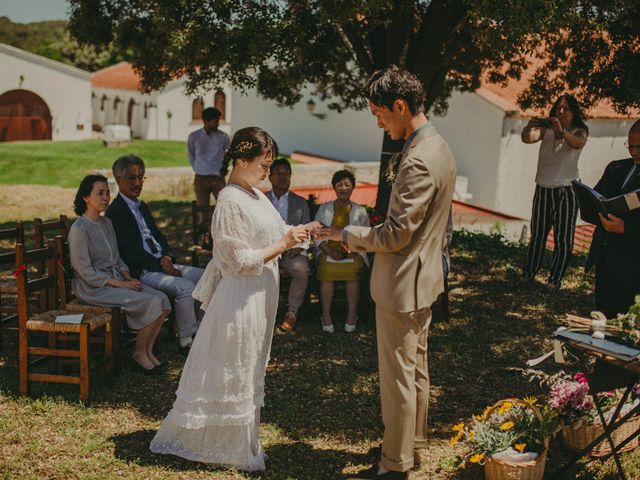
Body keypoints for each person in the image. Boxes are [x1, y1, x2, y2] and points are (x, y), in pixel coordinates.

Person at [316, 65, 456, 479]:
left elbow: (396, 234)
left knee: (398, 378)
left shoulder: (418, 159)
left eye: (379, 113)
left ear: (400, 106)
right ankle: (410, 446)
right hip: (425, 279)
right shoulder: (439, 146)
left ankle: (394, 465)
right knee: (415, 370)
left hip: (402, 285)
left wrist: (348, 234)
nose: (377, 121)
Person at [150, 127, 317, 470]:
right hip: (241, 298)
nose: (268, 172)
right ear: (241, 160)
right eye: (263, 164)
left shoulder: (256, 194)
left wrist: (299, 232)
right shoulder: (228, 201)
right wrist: (285, 245)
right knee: (235, 364)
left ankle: (241, 439)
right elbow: (240, 260)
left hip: (260, 294)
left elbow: (272, 233)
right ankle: (224, 445)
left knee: (250, 363)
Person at [68, 174, 170, 374]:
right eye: (100, 193)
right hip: (93, 288)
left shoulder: (107, 223)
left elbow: (117, 258)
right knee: (151, 302)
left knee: (163, 300)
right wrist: (120, 284)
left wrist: (127, 276)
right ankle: (138, 354)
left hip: (116, 280)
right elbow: (84, 270)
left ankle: (148, 352)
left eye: (107, 192)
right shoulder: (79, 230)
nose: (106, 197)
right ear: (86, 197)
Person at [106, 155, 204, 356]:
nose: (137, 183)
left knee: (207, 276)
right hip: (142, 270)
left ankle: (203, 329)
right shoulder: (115, 212)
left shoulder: (142, 206)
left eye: (141, 177)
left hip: (161, 263)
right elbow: (130, 251)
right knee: (185, 287)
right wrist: (162, 265)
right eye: (131, 178)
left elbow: (158, 236)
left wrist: (168, 256)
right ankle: (186, 339)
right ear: (118, 179)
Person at [520, 94, 589, 289]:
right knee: (538, 234)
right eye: (558, 107)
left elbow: (577, 143)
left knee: (563, 237)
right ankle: (528, 273)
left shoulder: (580, 131)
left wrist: (562, 130)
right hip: (543, 187)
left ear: (573, 112)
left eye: (566, 108)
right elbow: (528, 139)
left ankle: (555, 279)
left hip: (567, 189)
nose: (561, 111)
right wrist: (528, 127)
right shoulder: (546, 130)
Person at [586, 119, 640, 318]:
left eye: (639, 147)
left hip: (635, 267)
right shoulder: (616, 168)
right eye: (630, 145)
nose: (633, 152)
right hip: (607, 259)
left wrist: (626, 228)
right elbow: (597, 198)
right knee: (603, 322)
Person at [314, 169, 370, 333]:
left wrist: (354, 248)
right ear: (334, 187)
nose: (343, 188)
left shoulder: (359, 210)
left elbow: (366, 234)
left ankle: (352, 314)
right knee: (328, 270)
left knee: (352, 271)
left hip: (353, 252)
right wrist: (330, 251)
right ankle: (326, 314)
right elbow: (317, 234)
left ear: (352, 187)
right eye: (339, 185)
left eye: (347, 184)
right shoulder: (325, 209)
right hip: (328, 251)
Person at [265, 157, 311, 332]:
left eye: (286, 173)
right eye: (278, 173)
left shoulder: (300, 203)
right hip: (268, 251)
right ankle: (265, 313)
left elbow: (307, 230)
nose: (282, 177)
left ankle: (292, 313)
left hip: (291, 251)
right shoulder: (261, 200)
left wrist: (299, 247)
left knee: (301, 269)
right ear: (270, 177)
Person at [187, 106, 231, 229]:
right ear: (206, 121)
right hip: (201, 178)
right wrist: (198, 168)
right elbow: (191, 155)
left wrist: (223, 170)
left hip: (217, 178)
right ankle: (204, 238)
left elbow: (228, 155)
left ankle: (221, 232)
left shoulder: (223, 137)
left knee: (224, 207)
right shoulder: (194, 137)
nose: (217, 124)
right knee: (202, 211)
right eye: (215, 121)